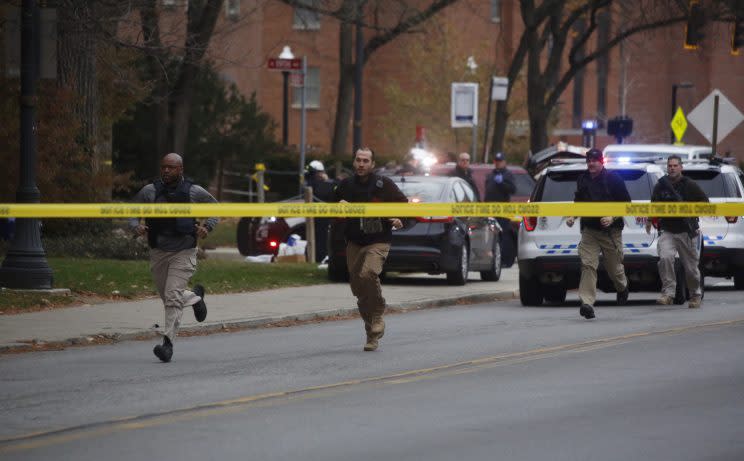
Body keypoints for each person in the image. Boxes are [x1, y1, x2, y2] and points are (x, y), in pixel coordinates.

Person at [130, 153, 219, 362]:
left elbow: (216, 208)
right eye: (164, 167)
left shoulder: (193, 191)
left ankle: (167, 345)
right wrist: (136, 226)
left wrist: (208, 226)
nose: (166, 170)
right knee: (168, 296)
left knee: (171, 297)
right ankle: (196, 298)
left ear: (181, 169)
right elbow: (132, 211)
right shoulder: (150, 191)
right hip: (159, 252)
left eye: (171, 167)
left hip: (184, 250)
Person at [333, 147, 408, 351]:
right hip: (355, 242)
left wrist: (400, 219)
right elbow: (330, 208)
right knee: (359, 290)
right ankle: (372, 333)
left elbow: (405, 205)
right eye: (358, 160)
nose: (361, 164)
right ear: (354, 162)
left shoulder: (385, 185)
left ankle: (378, 313)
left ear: (373, 164)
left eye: (366, 161)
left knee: (368, 273)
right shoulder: (346, 185)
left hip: (378, 240)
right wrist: (338, 205)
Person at [565, 148, 631, 319]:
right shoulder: (583, 179)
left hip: (611, 232)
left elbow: (627, 204)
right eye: (589, 160)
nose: (591, 163)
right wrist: (572, 216)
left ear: (602, 162)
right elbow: (578, 202)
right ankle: (587, 303)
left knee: (614, 268)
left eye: (595, 160)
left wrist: (612, 217)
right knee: (588, 265)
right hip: (590, 231)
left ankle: (622, 287)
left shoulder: (613, 179)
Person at [645, 155, 708, 308]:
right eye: (670, 165)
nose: (672, 168)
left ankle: (695, 295)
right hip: (667, 230)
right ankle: (668, 294)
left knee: (691, 267)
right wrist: (649, 220)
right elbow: (654, 205)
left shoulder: (690, 185)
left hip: (687, 231)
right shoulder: (660, 185)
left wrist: (689, 210)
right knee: (665, 259)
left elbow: (705, 203)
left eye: (675, 165)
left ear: (681, 167)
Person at [484, 152, 517, 266]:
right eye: (496, 161)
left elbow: (512, 189)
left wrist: (502, 183)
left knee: (503, 235)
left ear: (504, 162)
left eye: (500, 161)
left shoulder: (508, 174)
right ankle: (493, 259)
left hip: (502, 211)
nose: (498, 163)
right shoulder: (492, 174)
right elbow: (488, 190)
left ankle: (504, 260)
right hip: (490, 210)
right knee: (491, 235)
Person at [304, 160, 336, 262]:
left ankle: (312, 257)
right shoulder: (320, 184)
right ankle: (319, 258)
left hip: (315, 216)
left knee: (315, 238)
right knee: (321, 239)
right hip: (321, 216)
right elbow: (331, 190)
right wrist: (328, 181)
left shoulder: (309, 183)